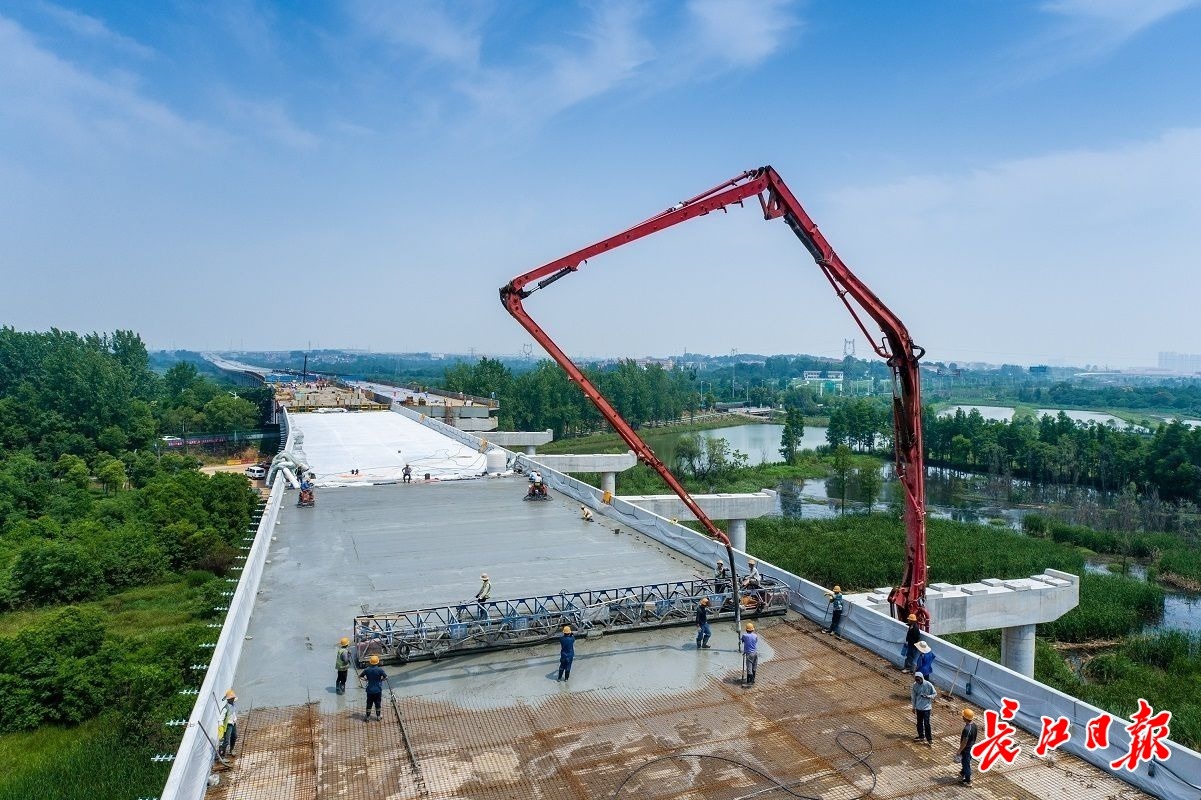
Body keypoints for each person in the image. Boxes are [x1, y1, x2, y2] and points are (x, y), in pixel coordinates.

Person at [910, 672, 937, 745]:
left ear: (922, 678)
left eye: (918, 680)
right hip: (919, 707)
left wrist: (928, 696)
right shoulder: (915, 685)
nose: (917, 681)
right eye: (916, 680)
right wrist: (913, 707)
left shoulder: (928, 684)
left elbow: (934, 694)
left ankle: (929, 739)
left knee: (926, 723)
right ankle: (921, 736)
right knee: (919, 723)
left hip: (926, 708)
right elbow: (913, 697)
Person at [358, 654, 387, 722]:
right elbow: (386, 677)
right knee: (378, 703)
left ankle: (367, 717)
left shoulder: (367, 670)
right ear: (377, 662)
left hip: (369, 690)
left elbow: (360, 676)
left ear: (370, 662)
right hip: (378, 690)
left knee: (369, 703)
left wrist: (366, 679)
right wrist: (381, 680)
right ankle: (378, 717)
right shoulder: (380, 670)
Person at [957, 708, 978, 786]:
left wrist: (959, 750)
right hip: (972, 747)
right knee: (965, 761)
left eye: (963, 716)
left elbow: (965, 741)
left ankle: (967, 780)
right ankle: (963, 772)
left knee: (966, 764)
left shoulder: (967, 729)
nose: (962, 717)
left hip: (967, 749)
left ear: (965, 718)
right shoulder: (974, 725)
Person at [218, 689, 238, 758]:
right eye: (231, 698)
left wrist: (235, 719)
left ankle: (231, 750)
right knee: (226, 740)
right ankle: (222, 754)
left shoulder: (233, 705)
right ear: (228, 699)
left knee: (234, 736)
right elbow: (220, 719)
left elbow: (233, 713)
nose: (233, 699)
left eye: (233, 698)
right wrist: (221, 727)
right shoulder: (225, 708)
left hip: (233, 723)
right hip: (228, 725)